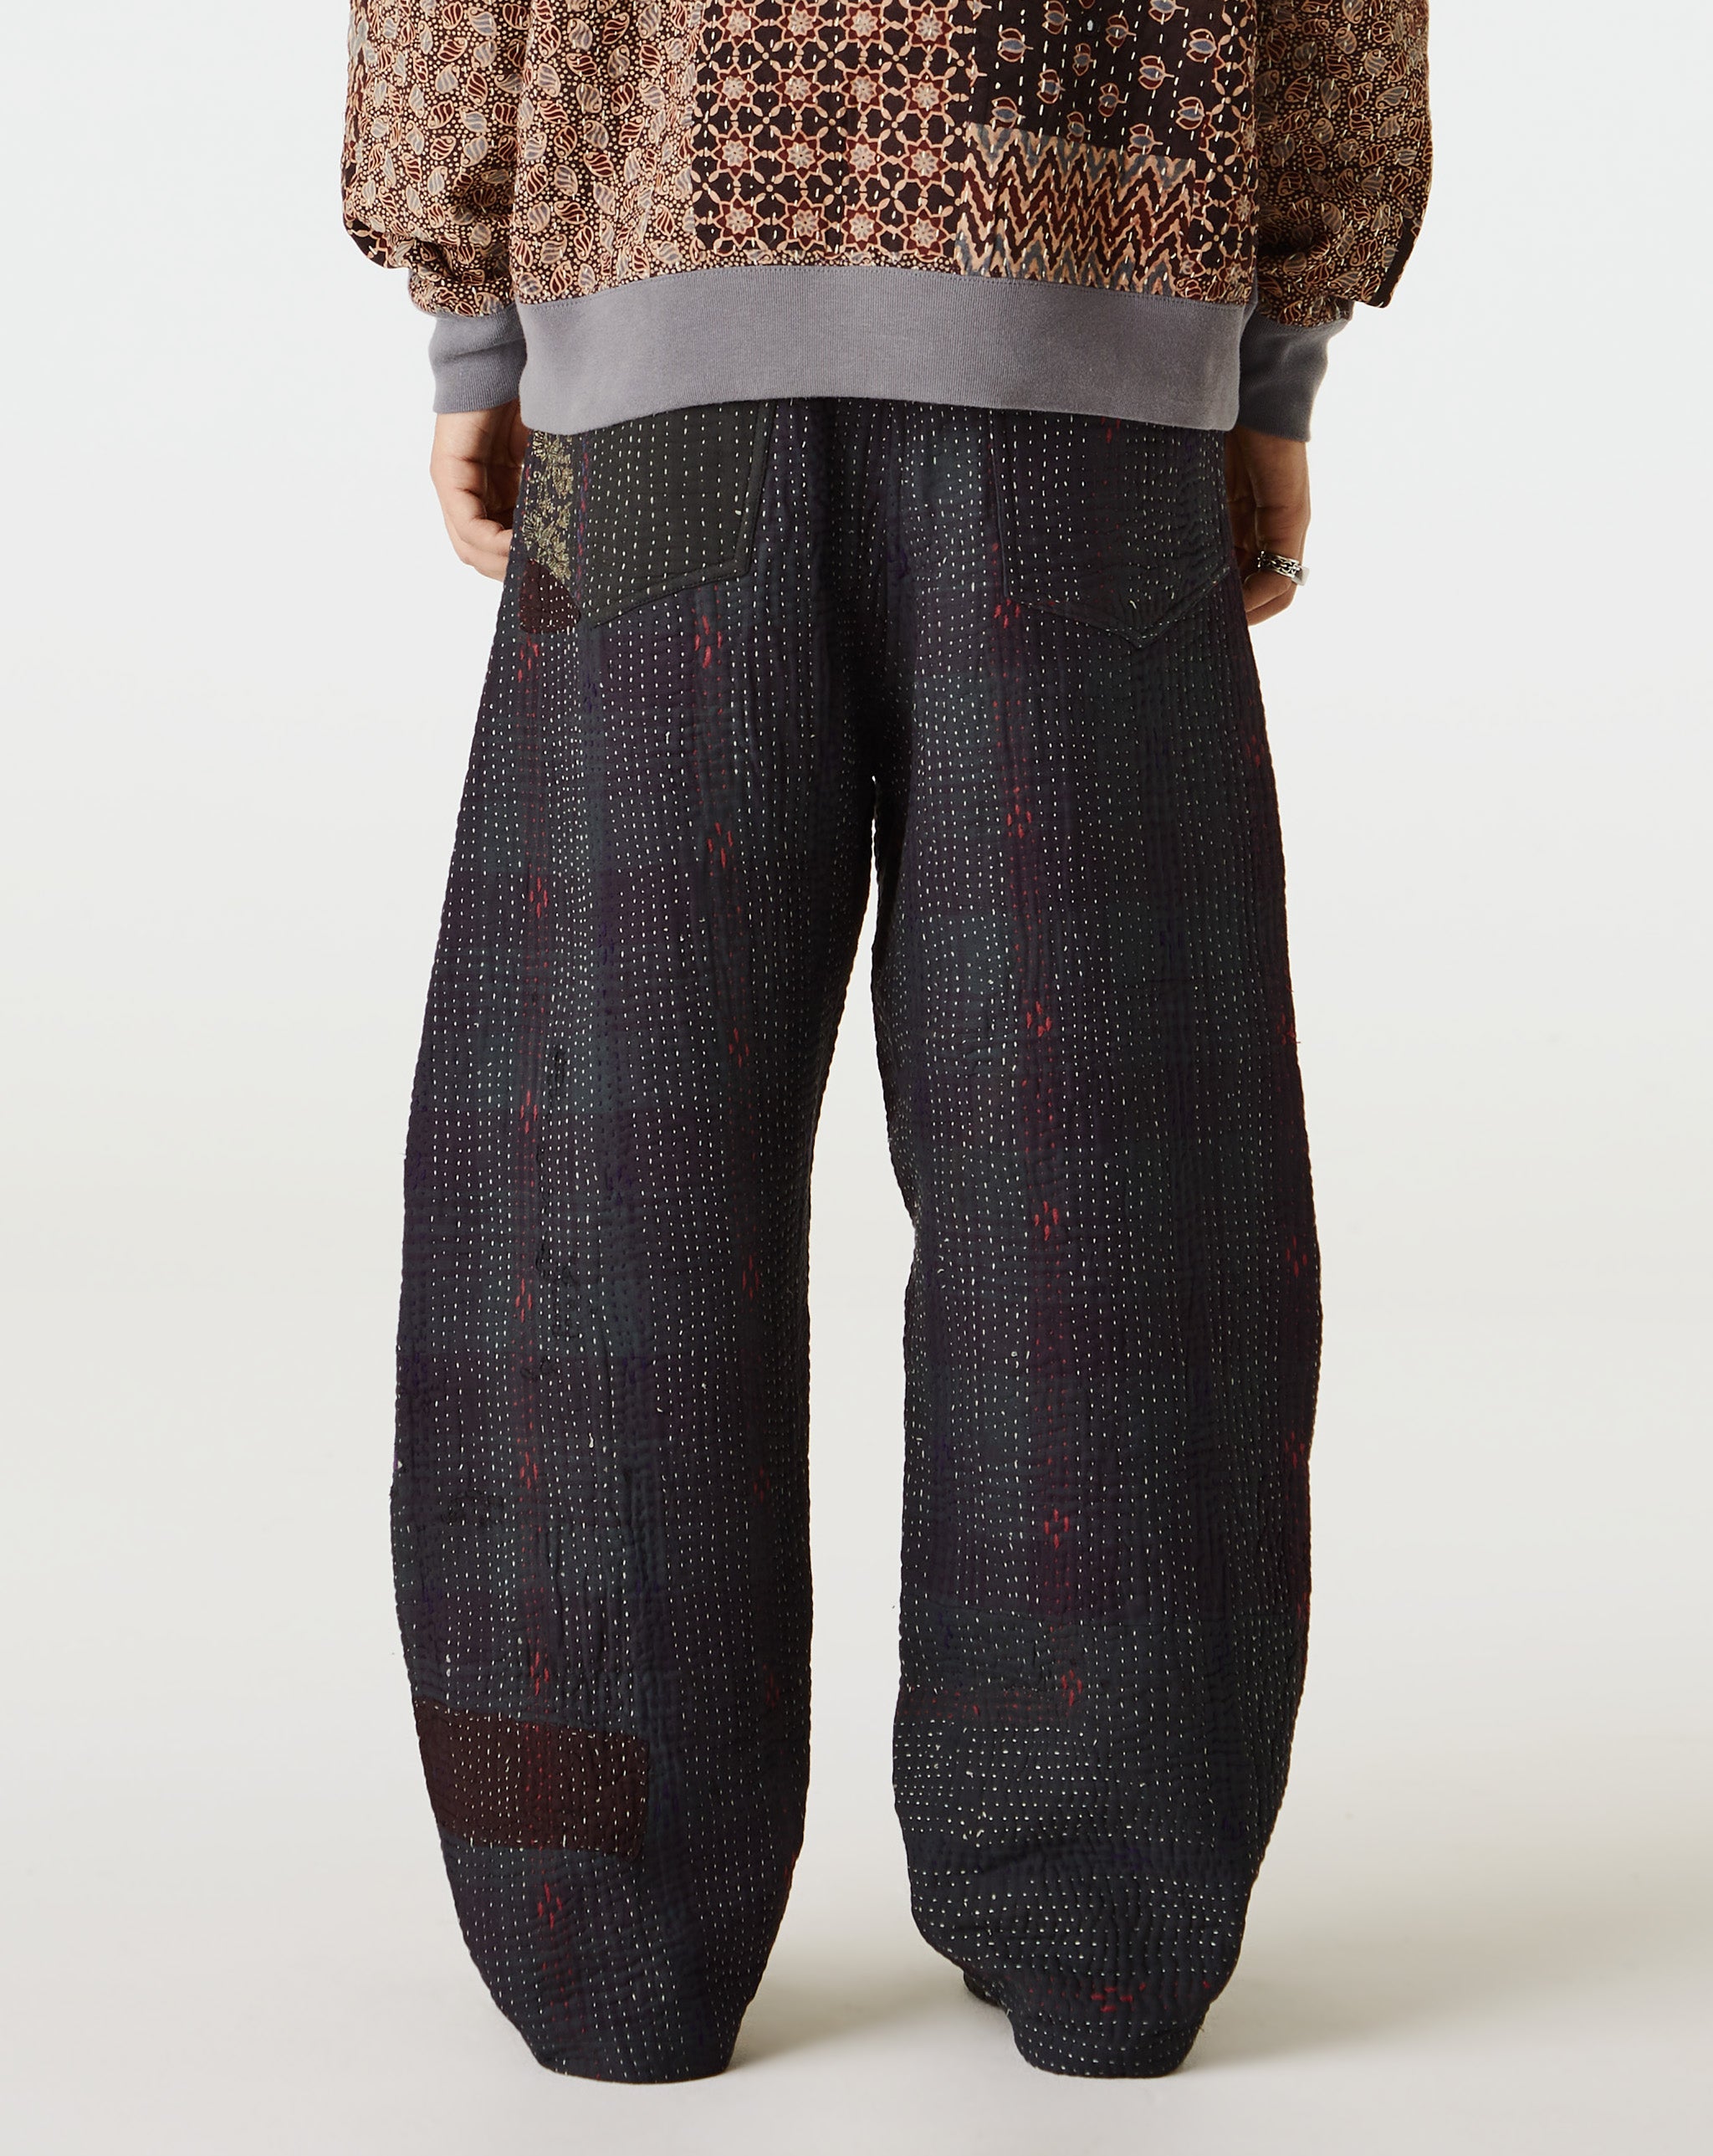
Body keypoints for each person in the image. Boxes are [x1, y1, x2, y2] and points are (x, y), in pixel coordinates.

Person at [343, 1, 1429, 2084]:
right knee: (1103, 1156)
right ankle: (1106, 1931)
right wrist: (1273, 358)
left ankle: (602, 1933)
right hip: (1088, 334)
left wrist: (480, 328)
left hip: (654, 331)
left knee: (599, 1157)